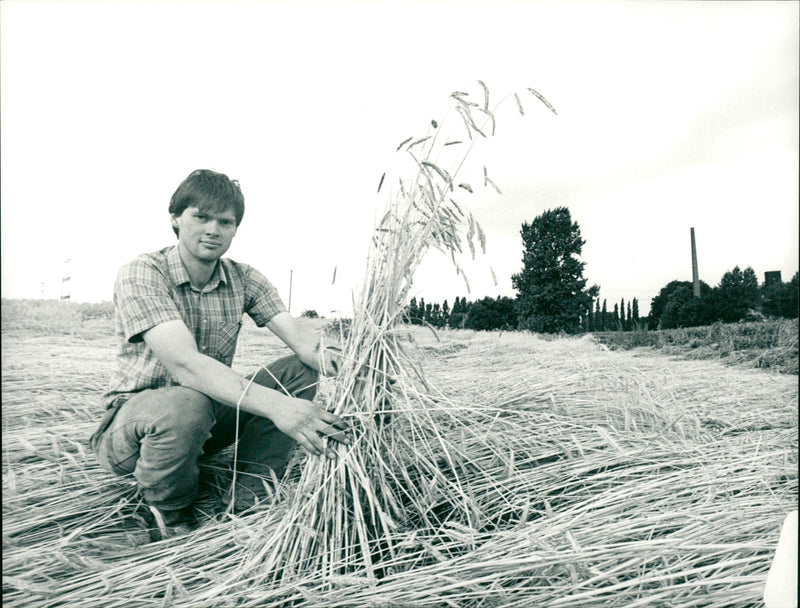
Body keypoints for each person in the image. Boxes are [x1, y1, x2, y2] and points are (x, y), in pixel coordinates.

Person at [89, 169, 350, 541]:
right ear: (176, 219)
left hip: (205, 421)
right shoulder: (143, 272)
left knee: (299, 372)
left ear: (234, 229)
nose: (213, 229)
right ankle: (170, 516)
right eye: (201, 216)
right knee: (186, 401)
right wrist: (279, 407)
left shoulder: (244, 278)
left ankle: (248, 501)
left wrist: (345, 362)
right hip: (136, 431)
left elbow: (305, 344)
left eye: (225, 221)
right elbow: (185, 365)